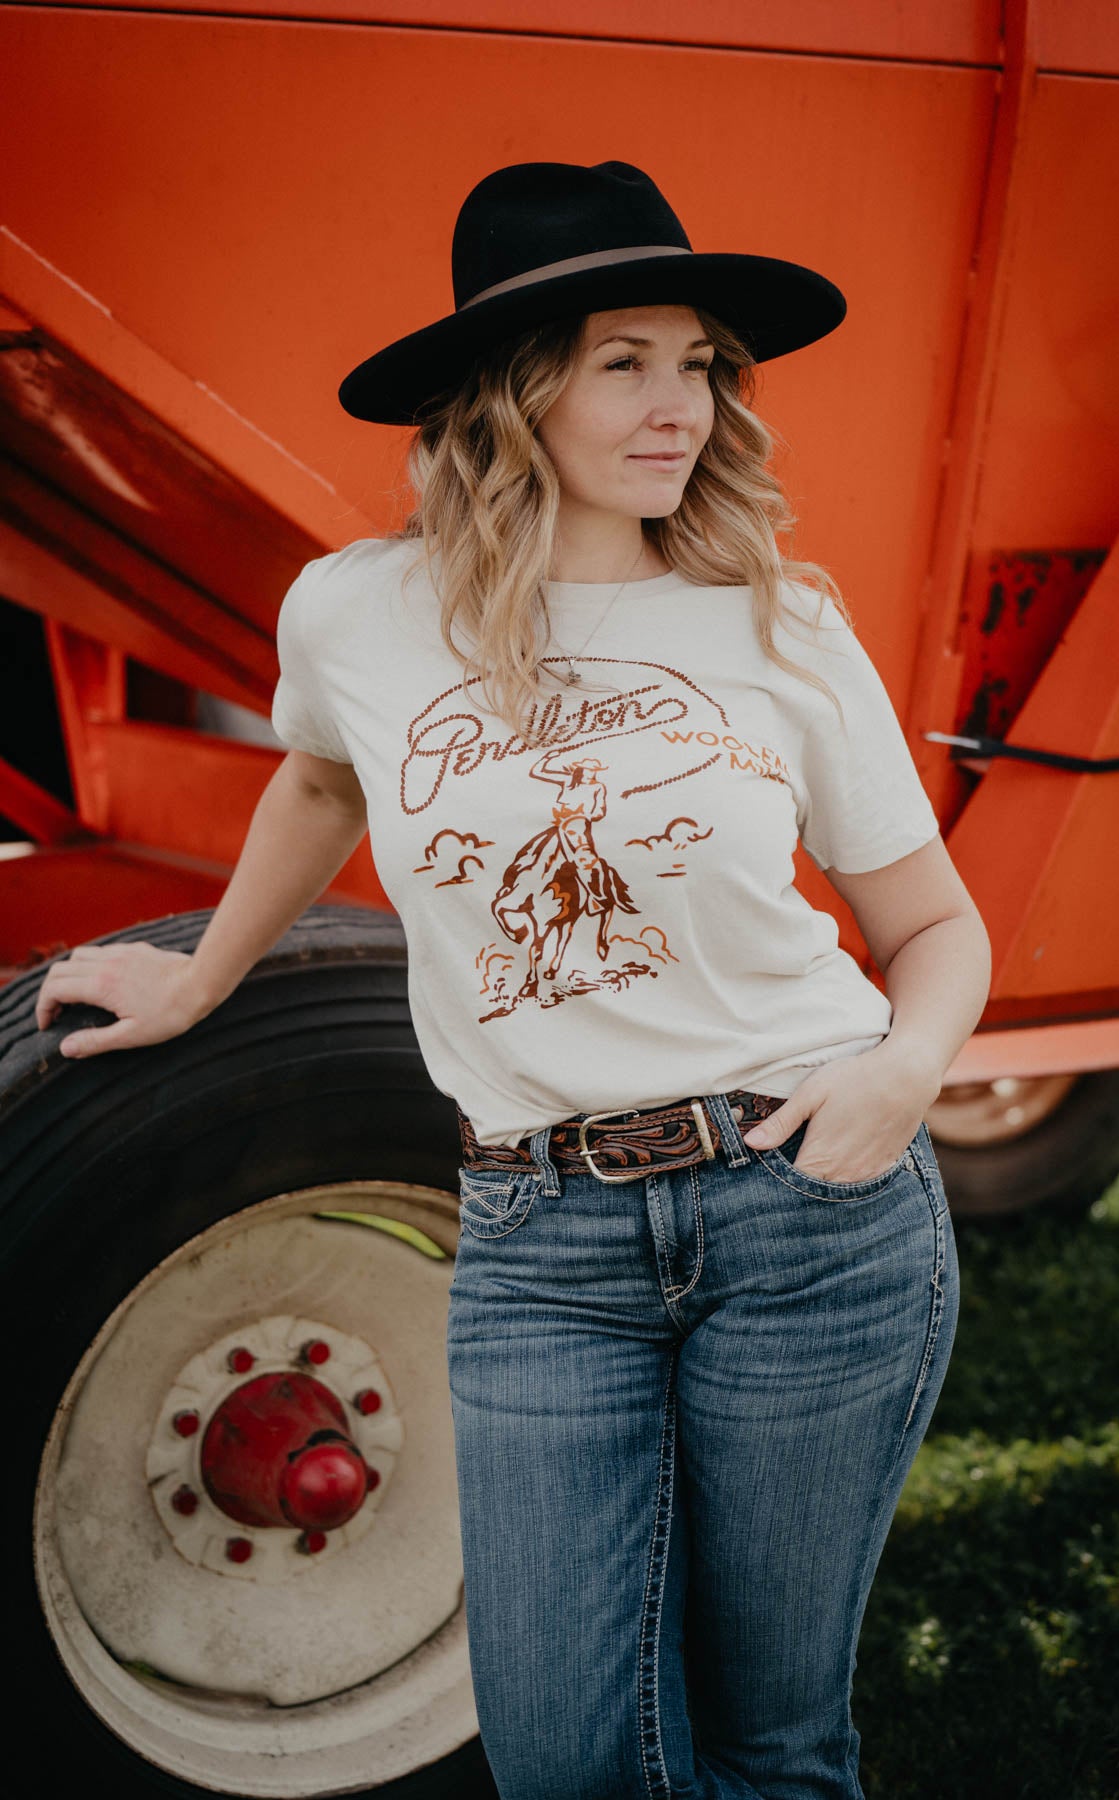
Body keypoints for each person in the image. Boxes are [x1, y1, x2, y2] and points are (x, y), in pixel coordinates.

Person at [34, 160, 992, 1798]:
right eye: (624, 358)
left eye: (697, 362)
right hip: (538, 1244)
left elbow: (938, 933)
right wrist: (199, 980)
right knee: (564, 1760)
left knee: (773, 1744)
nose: (676, 401)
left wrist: (905, 1074)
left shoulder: (780, 617)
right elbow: (322, 785)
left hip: (807, 1216)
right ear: (510, 387)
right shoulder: (355, 612)